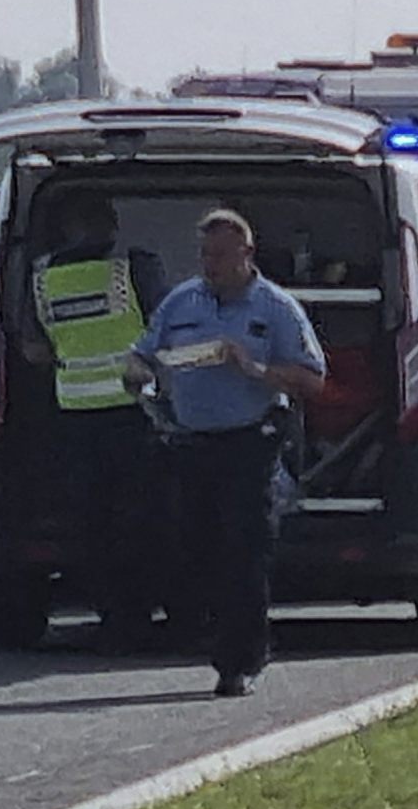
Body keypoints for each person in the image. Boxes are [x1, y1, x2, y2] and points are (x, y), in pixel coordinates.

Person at [128, 208, 327, 698]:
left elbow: (312, 380)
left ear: (246, 254)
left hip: (249, 442)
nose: (210, 264)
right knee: (196, 549)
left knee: (244, 552)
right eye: (205, 255)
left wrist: (254, 368)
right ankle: (205, 633)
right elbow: (144, 352)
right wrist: (137, 374)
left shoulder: (276, 308)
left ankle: (240, 660)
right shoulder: (182, 302)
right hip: (190, 442)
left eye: (220, 255)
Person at [21, 190, 166, 650]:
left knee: (92, 525)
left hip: (75, 415)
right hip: (132, 412)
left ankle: (112, 614)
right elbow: (169, 328)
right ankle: (141, 612)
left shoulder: (43, 279)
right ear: (109, 226)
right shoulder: (132, 269)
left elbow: (34, 349)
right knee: (141, 519)